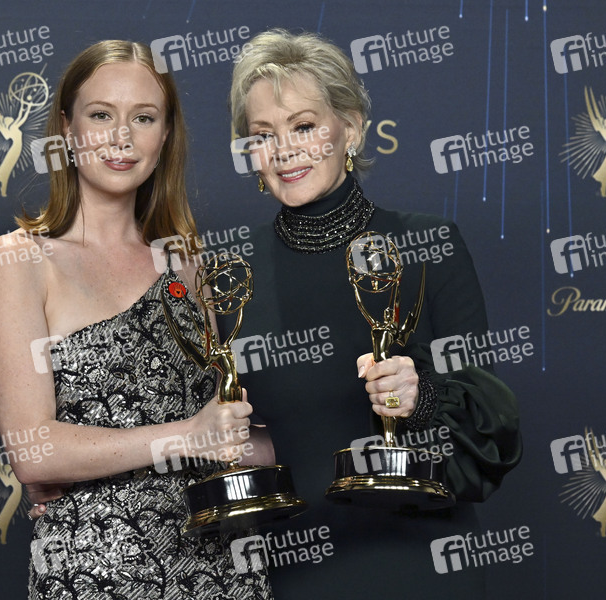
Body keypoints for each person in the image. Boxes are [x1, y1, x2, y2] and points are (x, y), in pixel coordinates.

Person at [221, 29, 522, 598]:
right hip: (291, 572)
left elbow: (491, 433)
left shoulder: (428, 245)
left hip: (418, 566)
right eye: (263, 134)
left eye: (304, 126)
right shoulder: (231, 273)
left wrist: (421, 396)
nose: (284, 150)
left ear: (352, 129)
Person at [0, 40, 272, 600]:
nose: (121, 137)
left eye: (143, 117)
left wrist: (242, 436)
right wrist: (186, 436)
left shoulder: (187, 261)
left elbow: (224, 429)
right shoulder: (21, 259)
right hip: (98, 572)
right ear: (66, 129)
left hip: (220, 567)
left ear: (166, 135)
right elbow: (33, 452)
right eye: (100, 115)